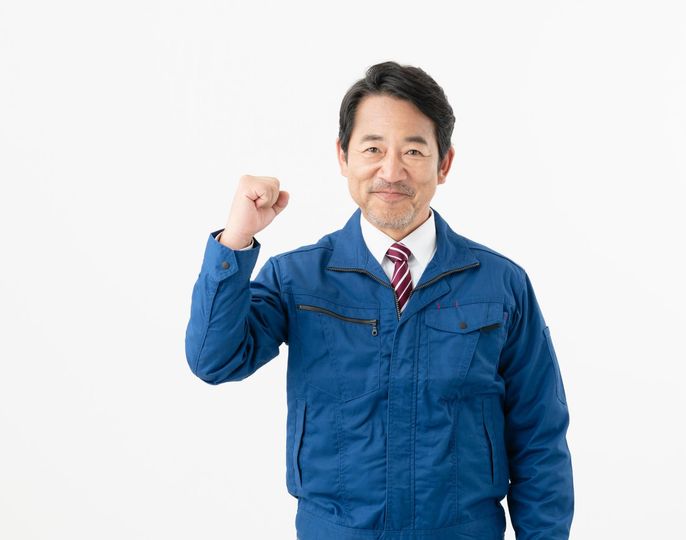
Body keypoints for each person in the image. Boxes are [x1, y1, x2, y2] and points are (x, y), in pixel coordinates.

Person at [185, 61, 574, 540]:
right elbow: (214, 360)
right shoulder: (298, 278)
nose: (391, 171)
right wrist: (236, 239)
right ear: (343, 156)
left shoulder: (500, 285)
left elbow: (539, 438)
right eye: (373, 148)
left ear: (444, 163)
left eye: (413, 150)